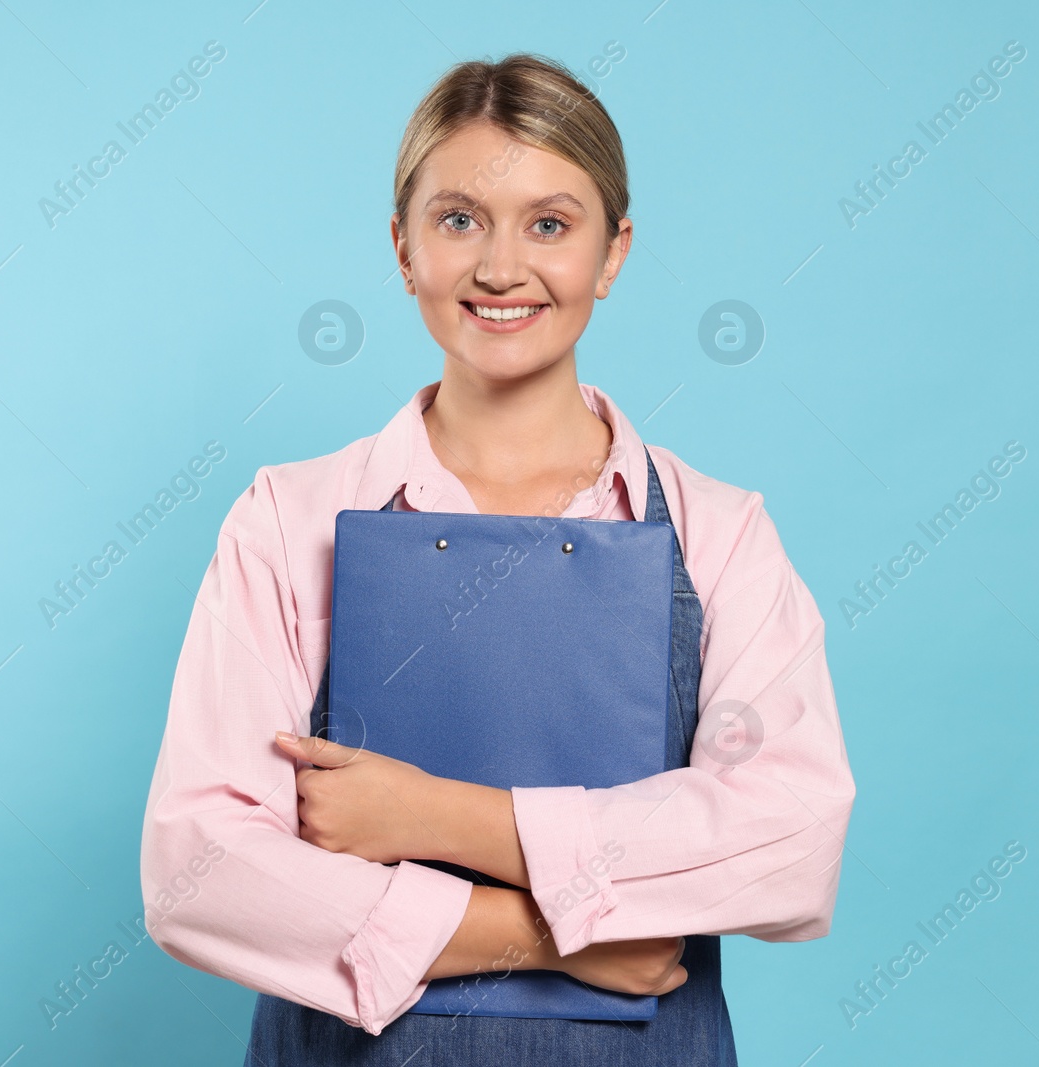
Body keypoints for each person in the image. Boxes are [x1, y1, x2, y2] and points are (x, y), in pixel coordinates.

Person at [139, 52, 855, 1067]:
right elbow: (200, 870)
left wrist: (438, 815)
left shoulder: (721, 531)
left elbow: (789, 837)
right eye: (458, 218)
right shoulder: (283, 518)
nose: (500, 266)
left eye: (551, 224)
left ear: (614, 254)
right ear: (402, 247)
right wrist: (551, 930)